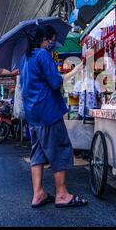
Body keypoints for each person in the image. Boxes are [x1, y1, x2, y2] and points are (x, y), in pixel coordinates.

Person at [20, 25, 87, 209]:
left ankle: (38, 194)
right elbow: (56, 81)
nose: (53, 44)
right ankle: (62, 195)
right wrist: (78, 69)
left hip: (33, 114)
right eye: (52, 40)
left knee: (38, 153)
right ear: (45, 39)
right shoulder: (42, 55)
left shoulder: (24, 58)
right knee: (59, 149)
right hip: (47, 111)